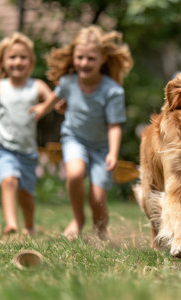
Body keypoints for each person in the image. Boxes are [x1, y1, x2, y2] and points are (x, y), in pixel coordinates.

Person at [45, 25, 133, 240]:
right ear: (73, 56)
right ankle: (77, 219)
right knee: (74, 174)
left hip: (102, 148)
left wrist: (113, 153)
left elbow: (114, 126)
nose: (84, 63)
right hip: (74, 138)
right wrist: (41, 109)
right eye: (80, 57)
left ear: (103, 59)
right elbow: (54, 97)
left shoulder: (112, 91)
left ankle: (100, 232)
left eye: (91, 58)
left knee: (98, 198)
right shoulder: (68, 82)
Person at [0, 32, 57, 235]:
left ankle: (29, 225)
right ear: (3, 62)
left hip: (28, 152)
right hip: (3, 149)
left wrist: (50, 106)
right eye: (12, 57)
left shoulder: (37, 86)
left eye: (23, 57)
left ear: (31, 61)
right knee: (9, 180)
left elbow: (55, 102)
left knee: (26, 195)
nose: (18, 62)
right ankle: (11, 224)